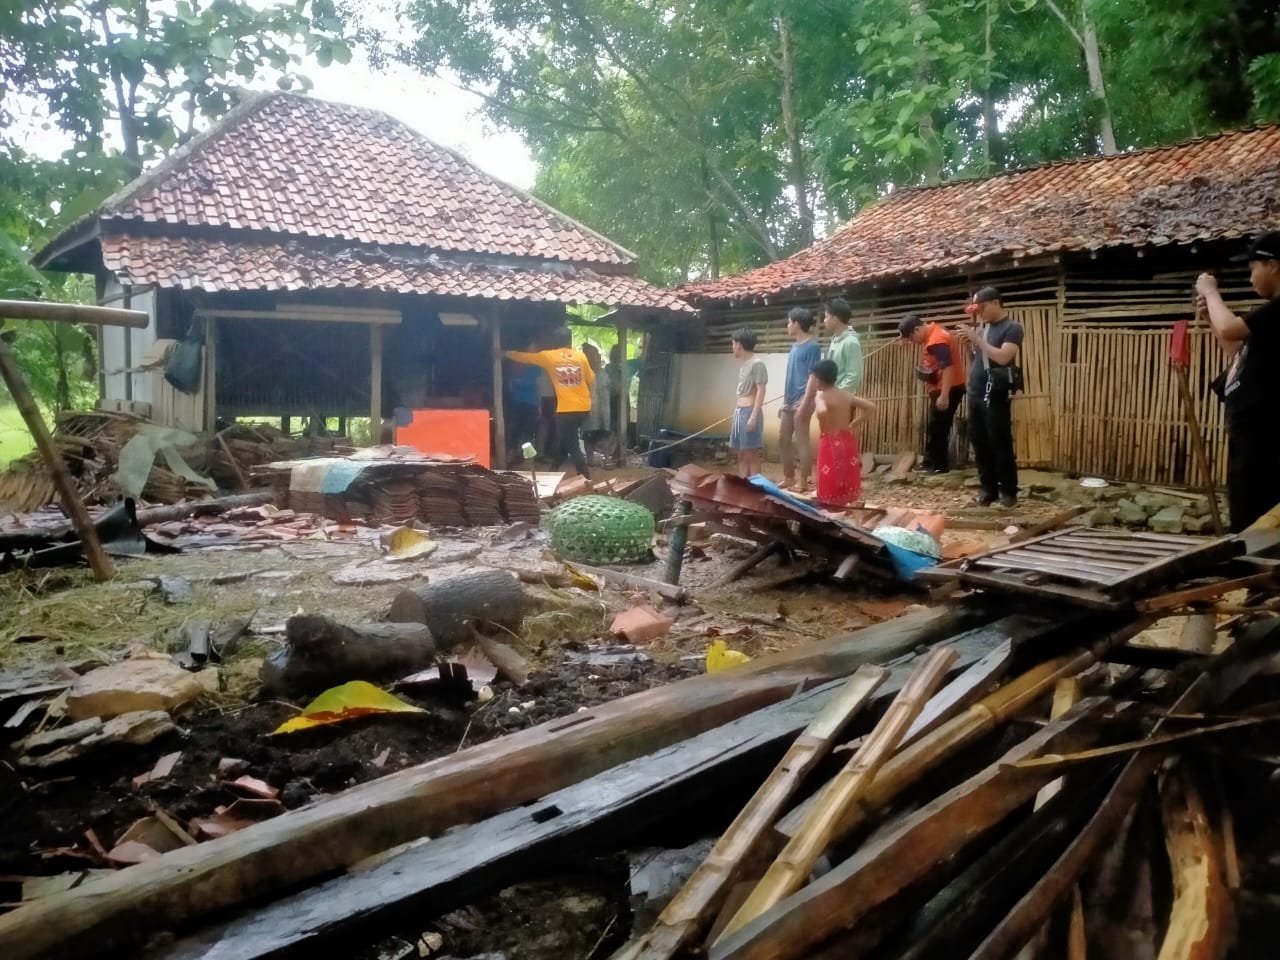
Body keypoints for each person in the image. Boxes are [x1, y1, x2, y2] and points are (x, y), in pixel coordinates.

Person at [1196, 230, 1280, 532]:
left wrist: (1210, 292)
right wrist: (1212, 321)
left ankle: (1259, 570)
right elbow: (1238, 354)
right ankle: (1253, 566)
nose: (1250, 278)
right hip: (1251, 432)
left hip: (1268, 435)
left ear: (1272, 265)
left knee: (1259, 509)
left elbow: (1231, 329)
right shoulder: (1269, 322)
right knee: (1246, 505)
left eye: (1252, 269)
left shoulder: (1279, 310)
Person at [958, 286, 1024, 508]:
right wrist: (970, 347)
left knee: (999, 441)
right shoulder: (984, 330)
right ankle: (988, 490)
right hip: (976, 391)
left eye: (983, 307)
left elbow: (1003, 357)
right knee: (979, 442)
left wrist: (976, 339)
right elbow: (979, 360)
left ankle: (1009, 492)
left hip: (995, 393)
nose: (981, 312)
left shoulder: (1013, 328)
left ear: (996, 303)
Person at [504, 326, 594, 479]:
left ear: (554, 342)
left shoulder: (549, 356)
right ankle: (553, 469)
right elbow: (590, 379)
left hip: (566, 409)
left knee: (571, 444)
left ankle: (585, 476)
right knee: (565, 439)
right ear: (570, 341)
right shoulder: (580, 357)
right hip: (584, 407)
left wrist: (505, 353)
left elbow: (525, 357)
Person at [898, 313, 967, 473]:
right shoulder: (935, 331)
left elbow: (948, 367)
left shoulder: (937, 340)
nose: (914, 343)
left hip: (948, 388)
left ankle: (940, 466)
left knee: (939, 427)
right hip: (941, 387)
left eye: (912, 338)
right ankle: (929, 461)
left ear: (916, 329)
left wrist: (944, 395)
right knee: (934, 426)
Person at [811, 359, 876, 507]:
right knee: (848, 473)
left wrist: (823, 416)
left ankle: (830, 507)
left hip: (829, 442)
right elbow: (871, 407)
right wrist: (854, 423)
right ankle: (848, 502)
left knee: (829, 475)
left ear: (819, 379)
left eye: (815, 378)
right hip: (847, 440)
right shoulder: (846, 395)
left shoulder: (821, 396)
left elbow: (822, 411)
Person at [798, 296, 863, 427]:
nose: (824, 320)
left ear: (835, 318)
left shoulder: (851, 342)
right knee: (829, 438)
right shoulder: (835, 340)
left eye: (827, 316)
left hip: (842, 401)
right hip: (831, 397)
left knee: (839, 439)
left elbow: (854, 375)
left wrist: (837, 395)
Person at [779, 307, 822, 492]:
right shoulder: (794, 346)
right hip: (789, 401)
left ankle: (803, 481)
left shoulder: (812, 347)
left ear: (797, 324)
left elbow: (813, 377)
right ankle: (789, 477)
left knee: (802, 441)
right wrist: (784, 401)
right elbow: (791, 375)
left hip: (802, 401)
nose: (788, 325)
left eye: (789, 321)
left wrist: (805, 403)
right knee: (783, 439)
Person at [729, 328, 768, 477]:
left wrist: (753, 416)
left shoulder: (757, 363)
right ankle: (743, 484)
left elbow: (761, 390)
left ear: (739, 344)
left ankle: (756, 487)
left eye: (733, 344)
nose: (732, 348)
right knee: (741, 453)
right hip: (739, 412)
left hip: (749, 412)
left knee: (751, 453)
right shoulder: (744, 363)